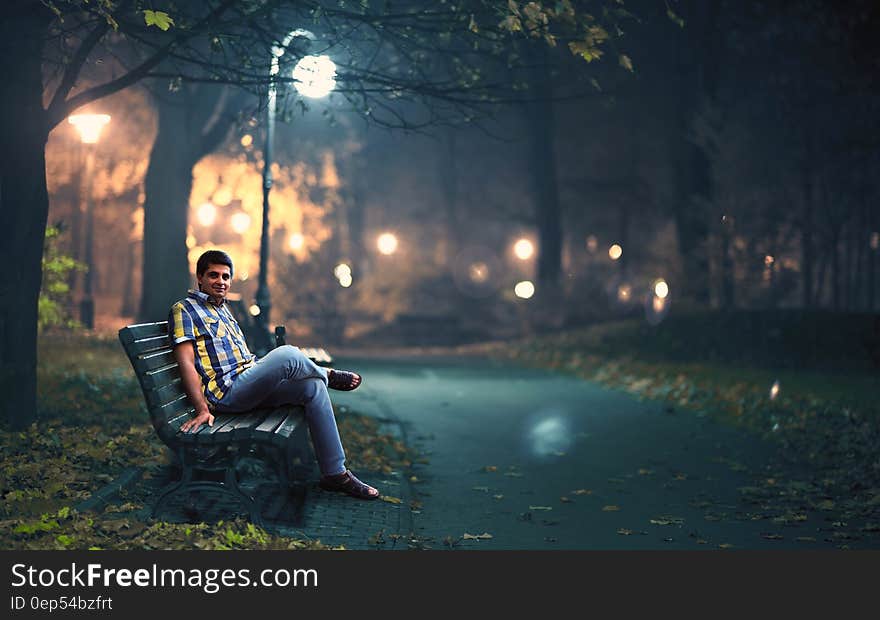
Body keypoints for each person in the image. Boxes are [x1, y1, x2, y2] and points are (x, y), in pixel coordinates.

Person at [167, 249, 379, 500]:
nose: (220, 282)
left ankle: (335, 474)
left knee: (313, 388)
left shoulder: (224, 310)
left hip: (247, 380)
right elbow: (186, 362)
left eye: (225, 277)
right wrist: (202, 409)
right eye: (213, 275)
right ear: (200, 278)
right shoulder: (185, 309)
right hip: (227, 393)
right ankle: (327, 373)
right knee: (287, 354)